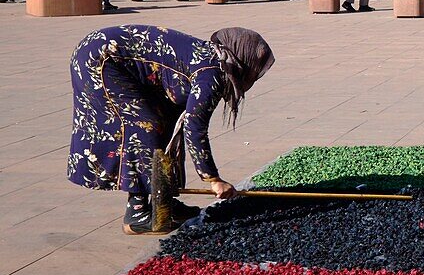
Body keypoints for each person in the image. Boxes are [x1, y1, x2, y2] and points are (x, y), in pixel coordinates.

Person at [67, 25, 275, 235]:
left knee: (165, 120)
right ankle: (137, 213)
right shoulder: (211, 74)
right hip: (100, 59)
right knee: (144, 126)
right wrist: (213, 179)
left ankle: (163, 200)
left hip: (111, 55)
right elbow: (194, 128)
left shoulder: (216, 62)